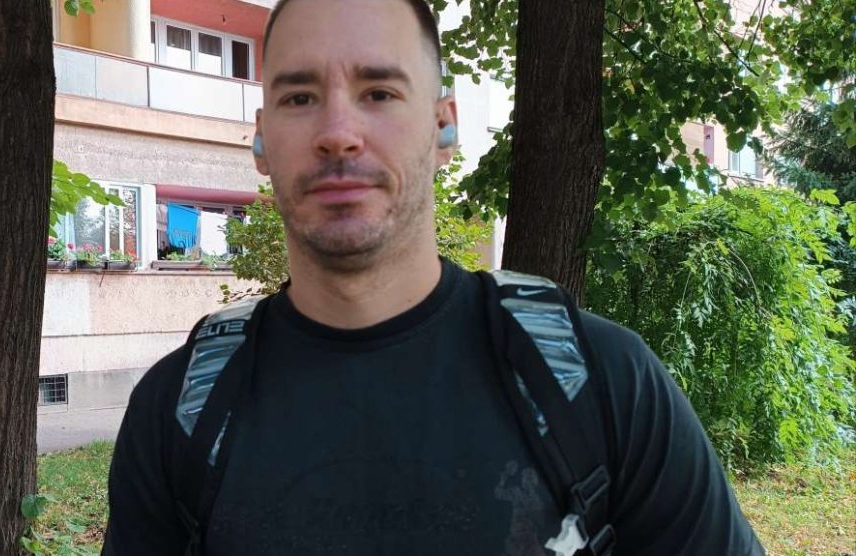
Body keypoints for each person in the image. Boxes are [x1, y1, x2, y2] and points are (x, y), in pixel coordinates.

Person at [102, 0, 765, 554]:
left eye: (379, 93)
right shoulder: (178, 409)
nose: (338, 133)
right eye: (300, 97)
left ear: (444, 126)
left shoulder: (604, 382)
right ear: (261, 139)